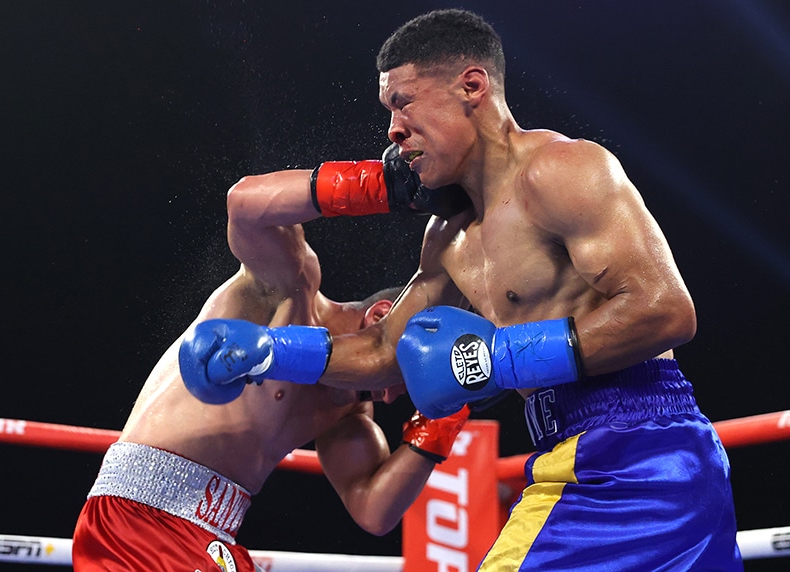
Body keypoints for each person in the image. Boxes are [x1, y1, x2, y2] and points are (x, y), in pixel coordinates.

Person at [182, 8, 742, 571]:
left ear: (472, 86)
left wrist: (498, 360)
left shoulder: (563, 171)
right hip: (574, 448)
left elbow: (667, 311)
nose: (392, 129)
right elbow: (382, 351)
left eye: (403, 103)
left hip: (639, 451)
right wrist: (269, 352)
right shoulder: (448, 235)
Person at [71, 163, 471, 571]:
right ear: (379, 316)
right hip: (141, 518)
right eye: (400, 376)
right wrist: (385, 186)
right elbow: (244, 203)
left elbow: (373, 510)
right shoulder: (292, 289)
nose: (390, 396)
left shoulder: (347, 411)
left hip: (211, 539)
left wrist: (446, 414)